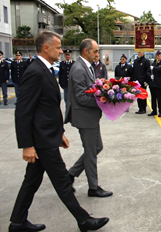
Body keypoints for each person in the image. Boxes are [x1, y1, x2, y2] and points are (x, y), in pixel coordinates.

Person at [9, 31, 109, 232]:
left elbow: (47, 109)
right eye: (57, 47)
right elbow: (23, 112)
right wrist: (27, 145)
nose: (61, 50)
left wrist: (59, 132)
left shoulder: (45, 70)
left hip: (47, 135)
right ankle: (84, 220)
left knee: (32, 181)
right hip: (41, 140)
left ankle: (18, 222)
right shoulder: (35, 72)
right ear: (46, 48)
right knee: (63, 182)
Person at [65, 38, 113, 198]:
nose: (97, 54)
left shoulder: (87, 67)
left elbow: (90, 90)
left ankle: (70, 174)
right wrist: (102, 101)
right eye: (95, 51)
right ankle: (93, 187)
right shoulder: (79, 69)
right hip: (84, 117)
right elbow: (80, 97)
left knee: (96, 148)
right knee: (91, 151)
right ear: (86, 51)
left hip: (90, 117)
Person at [148, 50, 161, 117]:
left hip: (159, 84)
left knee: (159, 98)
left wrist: (154, 68)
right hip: (153, 83)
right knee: (153, 98)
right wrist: (150, 75)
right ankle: (154, 110)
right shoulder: (153, 64)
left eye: (159, 56)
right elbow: (148, 71)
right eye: (156, 56)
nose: (157, 57)